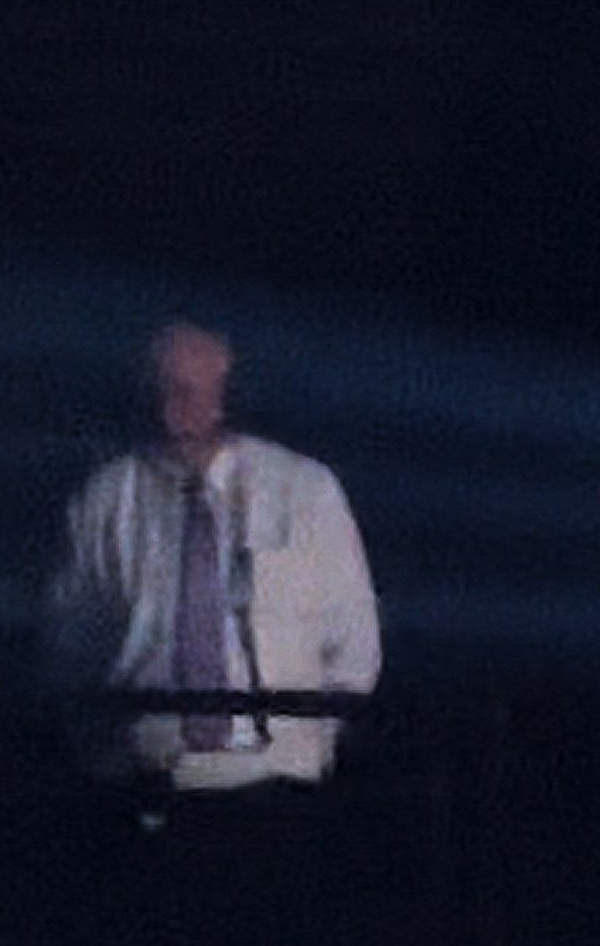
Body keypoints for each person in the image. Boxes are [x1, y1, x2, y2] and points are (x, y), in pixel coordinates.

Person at [45, 321, 380, 792]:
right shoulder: (106, 500)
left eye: (188, 391)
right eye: (161, 390)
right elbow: (72, 642)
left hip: (279, 777)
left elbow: (353, 638)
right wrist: (107, 757)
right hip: (148, 772)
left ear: (227, 393)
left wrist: (311, 746)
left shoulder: (304, 490)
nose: (172, 409)